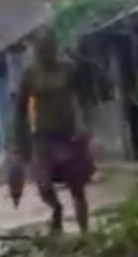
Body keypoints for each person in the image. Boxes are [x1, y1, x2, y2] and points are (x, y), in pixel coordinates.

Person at [12, 28, 96, 236]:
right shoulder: (29, 74)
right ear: (35, 52)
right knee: (44, 185)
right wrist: (20, 142)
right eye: (40, 50)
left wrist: (83, 123)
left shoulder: (69, 68)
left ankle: (85, 233)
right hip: (43, 136)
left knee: (77, 187)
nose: (45, 54)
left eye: (48, 49)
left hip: (69, 134)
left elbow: (83, 98)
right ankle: (57, 209)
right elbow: (19, 110)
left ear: (55, 48)